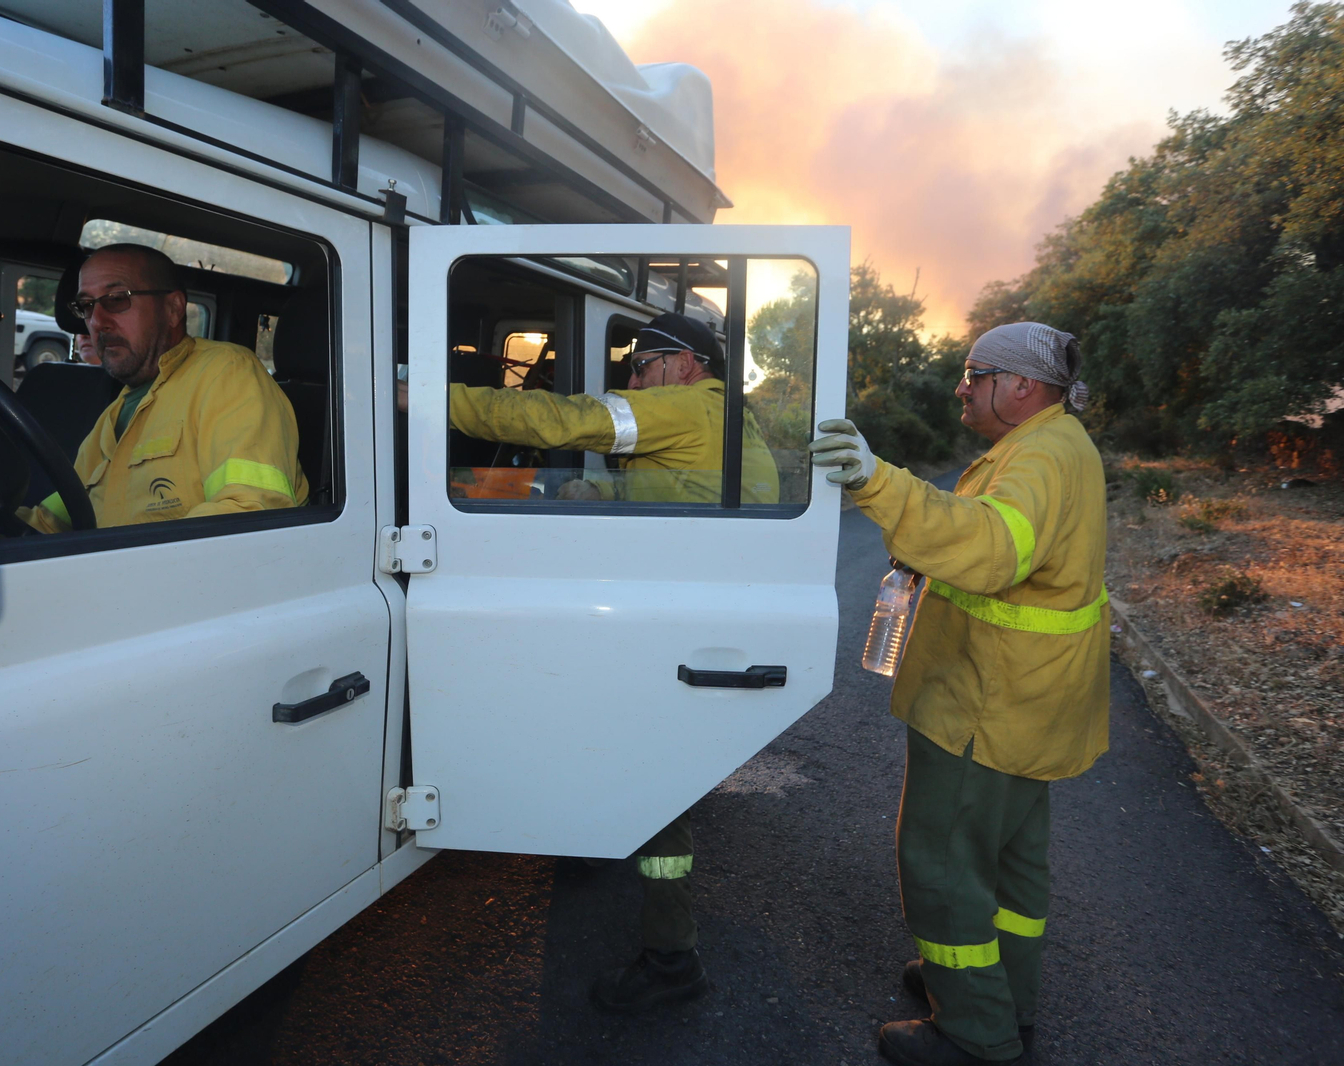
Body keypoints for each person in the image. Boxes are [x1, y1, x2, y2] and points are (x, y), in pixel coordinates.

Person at [406, 311, 777, 1012]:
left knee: (658, 789)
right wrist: (598, 492)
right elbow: (681, 491)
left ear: (685, 362)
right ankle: (601, 832)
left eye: (642, 364)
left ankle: (672, 959)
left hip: (683, 620)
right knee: (633, 755)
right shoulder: (720, 420)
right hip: (695, 609)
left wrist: (428, 395)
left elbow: (564, 421)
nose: (632, 377)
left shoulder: (688, 404)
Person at [809, 323, 1109, 1066]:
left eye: (976, 374)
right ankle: (1006, 994)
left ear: (1022, 386)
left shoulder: (1038, 455)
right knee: (1009, 863)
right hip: (1031, 703)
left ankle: (976, 1033)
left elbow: (992, 547)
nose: (961, 387)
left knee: (943, 865)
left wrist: (877, 481)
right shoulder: (1054, 443)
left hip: (987, 702)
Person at [21, 244, 307, 531]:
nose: (96, 322)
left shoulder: (227, 373)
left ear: (173, 309)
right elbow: (51, 521)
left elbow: (249, 514)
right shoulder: (112, 416)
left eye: (117, 299)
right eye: (86, 306)